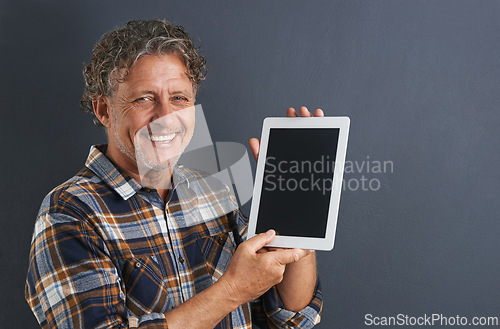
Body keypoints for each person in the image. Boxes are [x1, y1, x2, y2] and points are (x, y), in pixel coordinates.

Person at [25, 19, 323, 329]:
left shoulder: (212, 191)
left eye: (179, 98)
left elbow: (289, 318)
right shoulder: (69, 213)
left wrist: (298, 210)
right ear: (104, 111)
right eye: (144, 98)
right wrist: (232, 290)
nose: (166, 117)